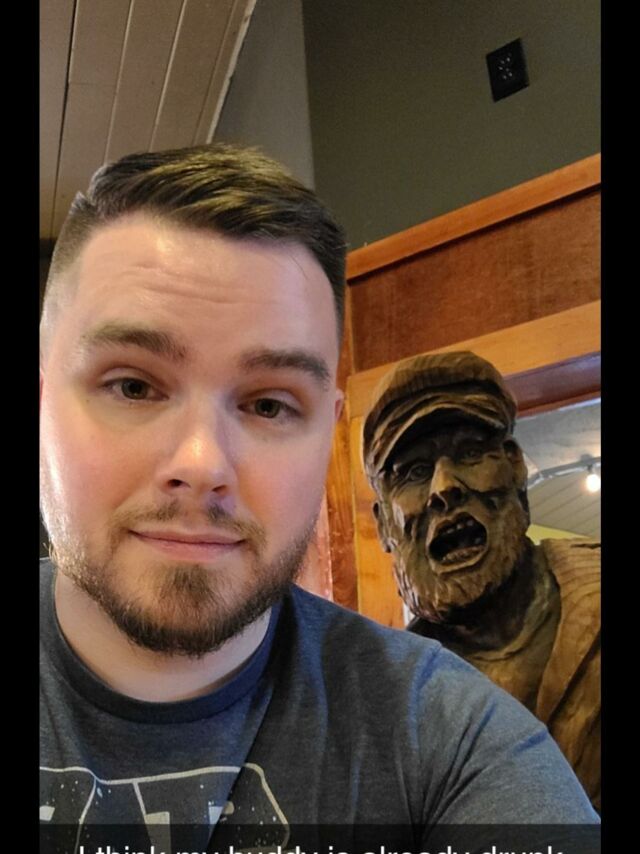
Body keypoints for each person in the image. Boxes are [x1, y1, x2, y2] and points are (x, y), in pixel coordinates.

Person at [40, 144, 599, 853]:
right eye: (133, 386)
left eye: (270, 405)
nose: (202, 463)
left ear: (326, 436)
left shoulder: (453, 742)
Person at [362, 350, 600, 812]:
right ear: (385, 525)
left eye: (470, 454)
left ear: (515, 466)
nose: (444, 487)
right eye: (414, 472)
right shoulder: (390, 700)